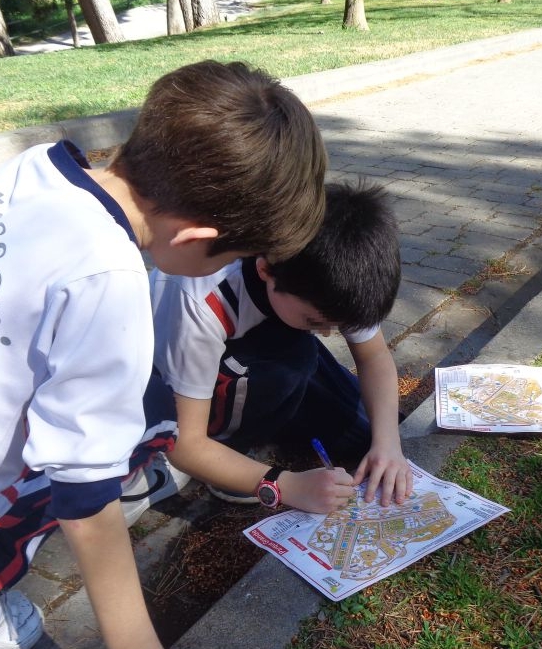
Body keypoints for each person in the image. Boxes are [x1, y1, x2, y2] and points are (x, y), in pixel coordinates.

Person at [0, 60, 327, 649]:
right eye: (236, 256)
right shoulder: (109, 284)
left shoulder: (38, 169)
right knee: (149, 421)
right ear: (195, 240)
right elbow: (86, 503)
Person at [150, 182, 414, 517]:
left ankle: (280, 409)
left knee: (366, 436)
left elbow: (374, 356)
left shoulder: (336, 274)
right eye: (315, 320)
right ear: (265, 270)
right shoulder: (201, 300)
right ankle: (232, 447)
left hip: (269, 342)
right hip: (171, 379)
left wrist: (387, 443)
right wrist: (286, 485)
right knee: (298, 358)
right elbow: (185, 444)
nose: (330, 333)